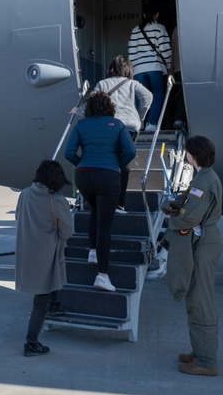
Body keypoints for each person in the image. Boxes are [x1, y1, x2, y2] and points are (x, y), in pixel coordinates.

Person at [161, 136, 223, 377]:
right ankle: (200, 351)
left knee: (201, 302)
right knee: (195, 300)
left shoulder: (204, 181)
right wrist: (173, 205)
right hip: (202, 242)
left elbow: (190, 217)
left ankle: (207, 361)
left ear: (192, 155)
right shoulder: (203, 177)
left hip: (203, 244)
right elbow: (188, 203)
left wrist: (171, 219)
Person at [64, 92, 136, 292]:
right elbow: (130, 152)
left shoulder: (81, 125)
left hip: (84, 176)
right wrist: (116, 165)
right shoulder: (117, 124)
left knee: (95, 209)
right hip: (108, 176)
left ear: (89, 108)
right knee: (105, 225)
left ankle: (93, 251)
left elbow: (68, 153)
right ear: (109, 107)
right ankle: (102, 275)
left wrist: (83, 165)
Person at [14, 160, 74, 357]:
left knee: (47, 287)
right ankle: (31, 343)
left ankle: (56, 304)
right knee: (40, 300)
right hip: (47, 253)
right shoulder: (56, 200)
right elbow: (67, 231)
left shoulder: (24, 194)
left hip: (26, 252)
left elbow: (18, 217)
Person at [93, 55, 153, 211]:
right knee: (124, 165)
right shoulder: (133, 84)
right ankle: (120, 203)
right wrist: (140, 115)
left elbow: (91, 104)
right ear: (128, 69)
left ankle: (104, 200)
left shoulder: (103, 83)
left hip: (108, 126)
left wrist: (76, 110)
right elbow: (148, 96)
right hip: (129, 127)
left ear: (111, 68)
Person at [128, 7, 172, 131]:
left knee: (139, 96)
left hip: (138, 69)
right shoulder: (159, 28)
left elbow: (131, 52)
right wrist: (168, 65)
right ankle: (150, 123)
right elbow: (165, 49)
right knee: (157, 94)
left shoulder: (135, 30)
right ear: (157, 14)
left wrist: (132, 68)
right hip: (154, 67)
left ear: (143, 14)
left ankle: (137, 123)